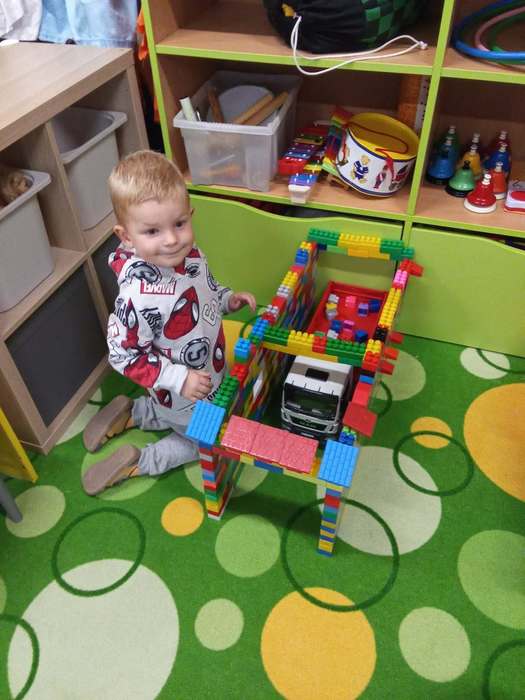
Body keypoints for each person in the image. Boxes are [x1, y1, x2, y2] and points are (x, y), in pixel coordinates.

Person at [82, 150, 256, 495]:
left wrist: (227, 300)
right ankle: (141, 461)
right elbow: (124, 354)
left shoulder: (191, 255)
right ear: (126, 236)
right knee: (204, 439)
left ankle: (135, 414)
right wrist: (179, 379)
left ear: (190, 214)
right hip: (182, 389)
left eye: (179, 224)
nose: (172, 239)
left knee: (182, 414)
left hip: (205, 375)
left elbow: (205, 290)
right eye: (152, 231)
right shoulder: (139, 296)